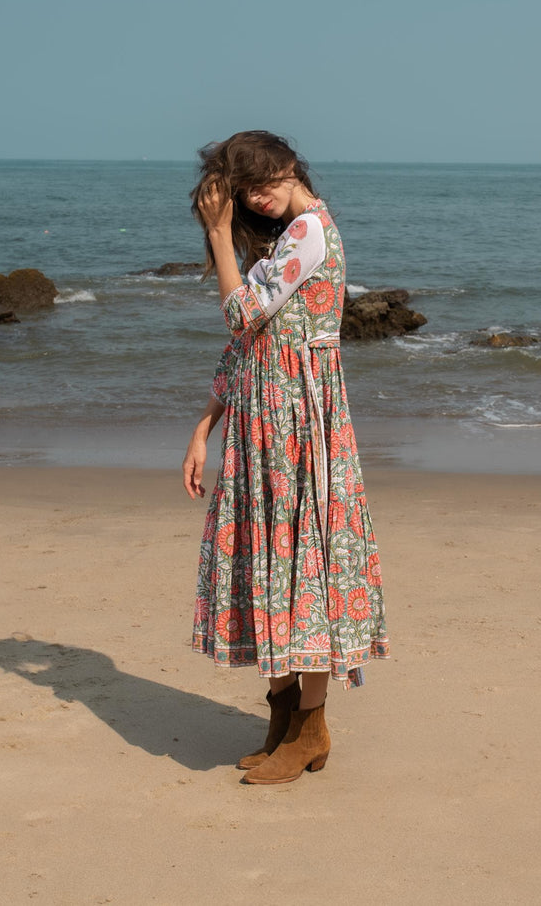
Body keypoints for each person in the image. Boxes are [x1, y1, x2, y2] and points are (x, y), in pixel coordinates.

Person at [182, 131, 389, 785]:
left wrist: (219, 236)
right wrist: (205, 422)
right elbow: (248, 346)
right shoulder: (285, 240)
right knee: (274, 562)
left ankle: (310, 725)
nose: (255, 197)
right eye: (242, 193)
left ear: (288, 164)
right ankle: (282, 721)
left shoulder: (309, 233)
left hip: (299, 423)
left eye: (260, 181)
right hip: (264, 422)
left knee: (305, 562)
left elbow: (241, 312)